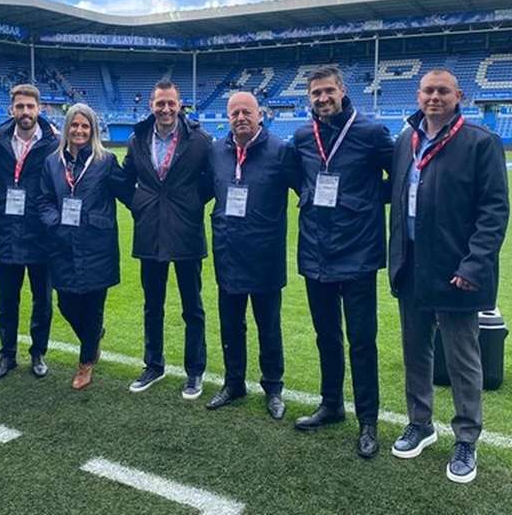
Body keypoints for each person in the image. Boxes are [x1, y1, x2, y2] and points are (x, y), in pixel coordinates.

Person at [388, 69, 509, 483]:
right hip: (412, 264)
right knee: (415, 351)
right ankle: (420, 423)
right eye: (427, 90)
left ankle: (466, 438)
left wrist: (474, 265)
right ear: (417, 95)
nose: (434, 97)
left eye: (442, 91)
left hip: (457, 269)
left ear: (459, 96)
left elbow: (494, 211)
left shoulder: (481, 142)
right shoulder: (406, 139)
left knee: (462, 358)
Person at [291, 65, 394, 459]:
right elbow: (295, 180)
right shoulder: (302, 138)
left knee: (362, 341)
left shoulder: (370, 133)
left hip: (358, 253)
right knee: (326, 337)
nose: (322, 98)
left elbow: (397, 180)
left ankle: (368, 420)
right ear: (309, 97)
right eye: (316, 93)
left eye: (328, 91)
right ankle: (331, 404)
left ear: (342, 91)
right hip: (315, 252)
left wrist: (364, 202)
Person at [204, 92, 299, 420]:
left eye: (247, 112)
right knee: (231, 325)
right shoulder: (217, 151)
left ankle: (273, 388)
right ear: (227, 117)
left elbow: (307, 191)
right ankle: (234, 383)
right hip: (227, 253)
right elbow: (201, 192)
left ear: (261, 115)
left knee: (268, 327)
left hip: (265, 256)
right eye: (235, 113)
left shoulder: (280, 151)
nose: (241, 117)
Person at [122, 80, 213, 399]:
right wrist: (138, 204)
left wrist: (190, 203)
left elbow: (211, 183)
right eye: (160, 103)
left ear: (180, 105)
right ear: (152, 105)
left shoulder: (200, 141)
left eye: (170, 103)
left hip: (186, 230)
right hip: (150, 230)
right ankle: (153, 365)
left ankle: (194, 371)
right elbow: (125, 180)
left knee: (193, 307)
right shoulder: (137, 140)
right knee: (152, 305)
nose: (165, 109)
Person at [37, 103, 131, 390]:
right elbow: (43, 200)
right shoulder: (52, 163)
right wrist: (55, 222)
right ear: (67, 129)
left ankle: (86, 362)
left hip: (96, 245)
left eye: (85, 126)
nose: (79, 130)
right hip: (63, 244)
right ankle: (93, 337)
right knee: (66, 303)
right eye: (74, 125)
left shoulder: (106, 161)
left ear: (92, 130)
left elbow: (127, 192)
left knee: (92, 306)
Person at [0, 84, 59, 382]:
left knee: (42, 299)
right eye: (20, 107)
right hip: (5, 232)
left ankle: (38, 352)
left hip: (40, 234)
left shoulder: (54, 142)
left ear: (39, 109)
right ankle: (7, 354)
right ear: (11, 109)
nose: (25, 112)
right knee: (7, 299)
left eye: (30, 107)